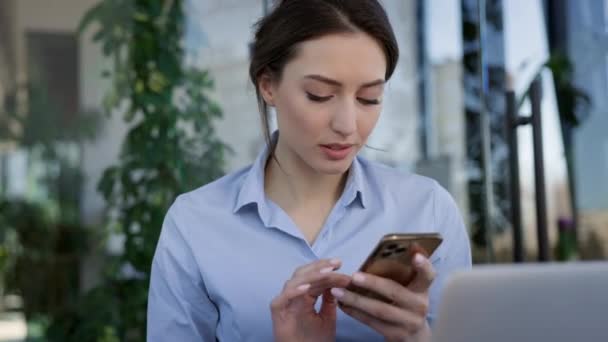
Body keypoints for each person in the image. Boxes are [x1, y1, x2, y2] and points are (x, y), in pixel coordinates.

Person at [147, 0, 471, 341]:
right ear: (268, 86)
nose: (347, 125)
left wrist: (417, 336)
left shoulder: (427, 207)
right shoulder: (195, 223)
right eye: (319, 95)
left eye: (369, 98)